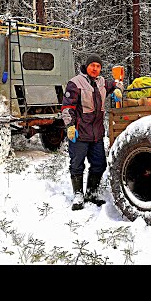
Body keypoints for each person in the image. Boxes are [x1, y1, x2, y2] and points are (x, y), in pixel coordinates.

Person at [61, 54, 123, 210]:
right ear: (86, 66)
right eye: (92, 65)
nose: (95, 69)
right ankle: (78, 195)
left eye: (98, 66)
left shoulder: (102, 83)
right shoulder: (75, 83)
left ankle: (91, 192)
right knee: (77, 164)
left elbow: (118, 83)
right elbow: (67, 107)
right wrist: (70, 126)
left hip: (96, 134)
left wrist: (118, 90)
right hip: (79, 133)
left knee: (99, 164)